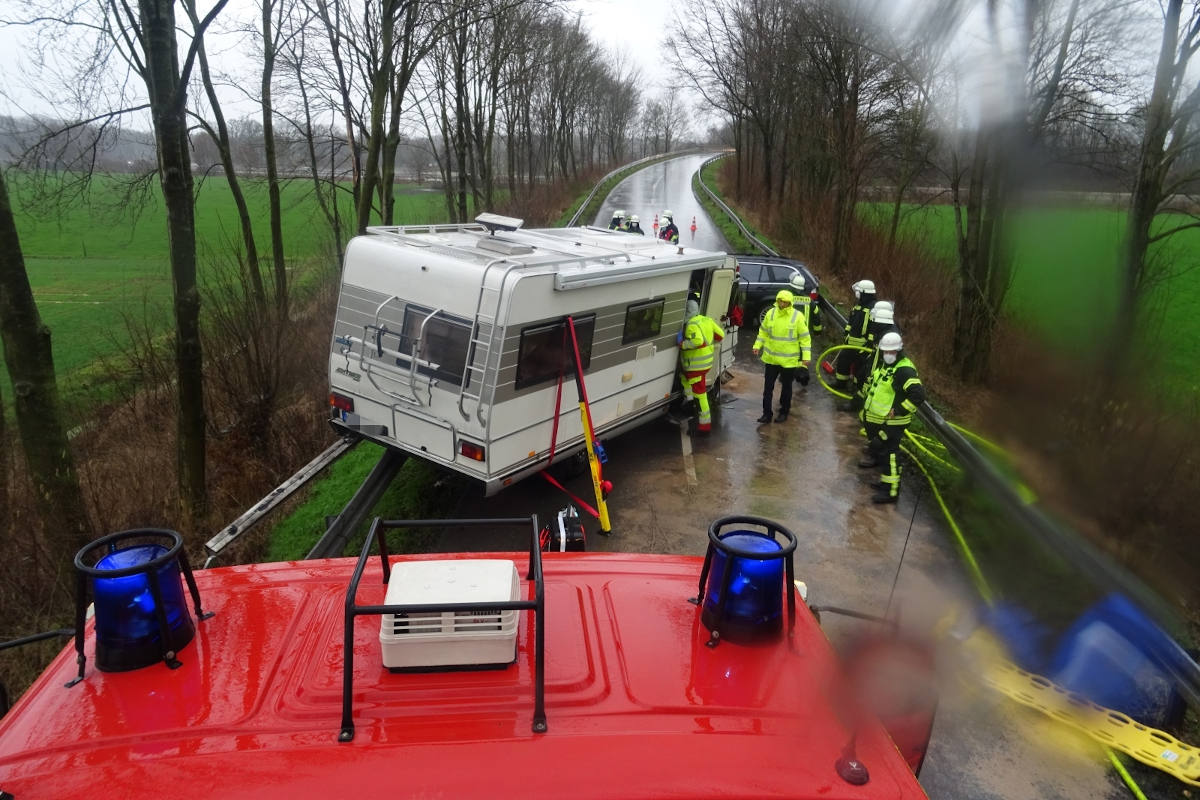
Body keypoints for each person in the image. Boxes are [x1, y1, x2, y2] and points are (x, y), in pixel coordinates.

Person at [859, 332, 925, 504]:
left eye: (891, 352)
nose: (887, 354)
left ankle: (892, 492)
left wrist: (899, 410)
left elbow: (917, 395)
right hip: (879, 419)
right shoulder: (887, 365)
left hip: (892, 423)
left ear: (899, 351)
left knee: (891, 455)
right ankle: (885, 484)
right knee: (883, 453)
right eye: (885, 351)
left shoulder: (904, 370)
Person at [752, 289, 811, 424]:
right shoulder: (771, 314)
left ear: (790, 303)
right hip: (771, 359)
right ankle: (767, 414)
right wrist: (757, 346)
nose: (782, 304)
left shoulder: (798, 317)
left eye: (784, 302)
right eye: (780, 301)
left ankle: (784, 412)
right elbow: (763, 332)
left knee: (786, 389)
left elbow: (805, 339)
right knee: (768, 388)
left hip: (788, 361)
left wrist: (805, 357)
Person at [677, 295, 724, 434]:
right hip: (706, 364)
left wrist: (683, 344)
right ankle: (690, 402)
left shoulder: (691, 324)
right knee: (684, 378)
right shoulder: (707, 320)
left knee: (701, 396)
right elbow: (720, 335)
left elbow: (698, 341)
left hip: (695, 366)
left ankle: (704, 427)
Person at [849, 301, 900, 414]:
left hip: (881, 371)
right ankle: (857, 404)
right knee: (862, 380)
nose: (874, 323)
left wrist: (871, 374)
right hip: (874, 364)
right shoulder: (884, 330)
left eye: (876, 321)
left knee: (867, 386)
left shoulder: (889, 336)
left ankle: (864, 410)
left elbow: (882, 359)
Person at [834, 279, 876, 398]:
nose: (857, 294)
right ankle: (841, 383)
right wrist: (846, 333)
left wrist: (869, 344)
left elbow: (873, 328)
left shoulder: (873, 308)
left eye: (859, 292)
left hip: (863, 346)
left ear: (864, 293)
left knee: (860, 368)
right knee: (843, 361)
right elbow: (850, 322)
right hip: (851, 342)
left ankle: (856, 390)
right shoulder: (858, 306)